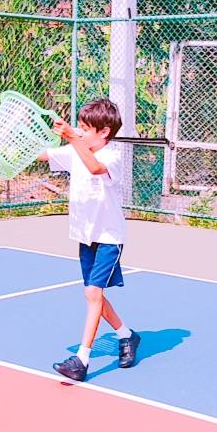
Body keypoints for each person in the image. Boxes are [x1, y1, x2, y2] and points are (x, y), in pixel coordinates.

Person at [37, 99, 141, 382]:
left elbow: (95, 168)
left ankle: (81, 360)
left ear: (104, 132)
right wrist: (14, 146)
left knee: (93, 293)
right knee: (94, 294)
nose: (80, 132)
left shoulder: (112, 156)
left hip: (109, 237)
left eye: (85, 128)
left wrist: (72, 137)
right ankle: (127, 335)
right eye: (79, 127)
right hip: (86, 236)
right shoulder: (74, 151)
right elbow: (43, 155)